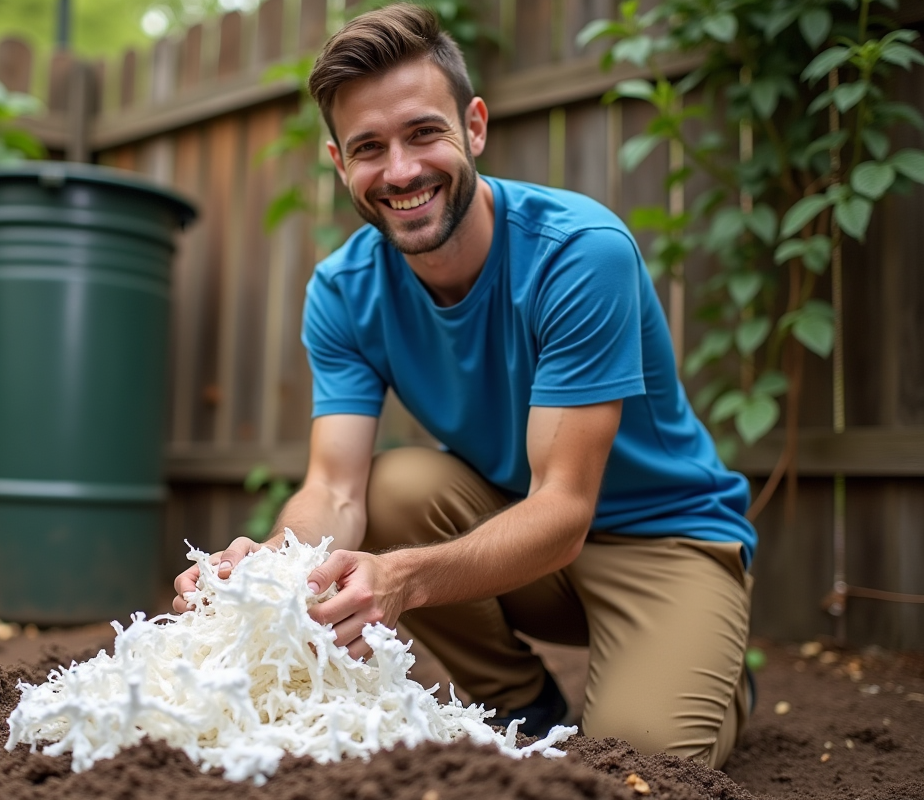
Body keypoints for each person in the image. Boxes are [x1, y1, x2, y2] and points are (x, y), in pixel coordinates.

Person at [173, 2, 756, 769]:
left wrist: (400, 579)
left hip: (663, 540)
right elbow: (335, 491)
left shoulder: (578, 253)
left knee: (641, 759)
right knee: (394, 488)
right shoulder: (344, 291)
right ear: (340, 163)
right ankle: (520, 700)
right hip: (519, 541)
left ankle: (713, 664)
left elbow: (564, 510)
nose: (401, 171)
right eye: (369, 148)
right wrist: (272, 568)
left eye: (424, 133)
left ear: (474, 127)